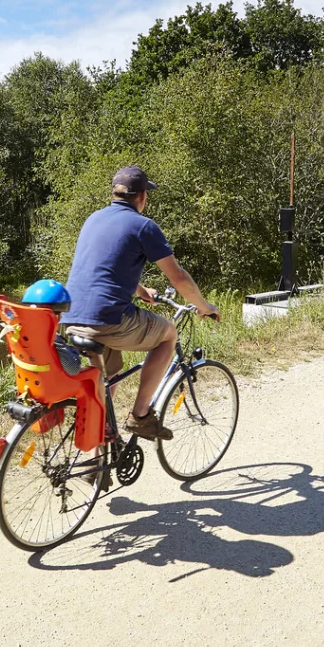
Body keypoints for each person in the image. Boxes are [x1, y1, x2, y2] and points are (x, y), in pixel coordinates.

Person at [62, 166, 220, 441]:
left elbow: (103, 268)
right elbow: (179, 278)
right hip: (108, 320)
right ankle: (141, 416)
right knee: (168, 334)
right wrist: (205, 307)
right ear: (143, 196)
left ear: (114, 194)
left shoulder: (94, 219)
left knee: (109, 376)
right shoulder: (143, 226)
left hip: (72, 318)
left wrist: (140, 289)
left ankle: (96, 450)